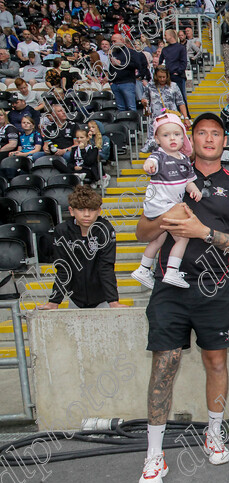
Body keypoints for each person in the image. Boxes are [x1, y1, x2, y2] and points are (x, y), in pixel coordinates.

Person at [134, 112, 229, 483]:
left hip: (214, 286)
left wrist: (201, 231)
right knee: (165, 362)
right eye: (200, 132)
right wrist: (166, 221)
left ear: (224, 140)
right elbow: (142, 232)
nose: (208, 138)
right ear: (191, 139)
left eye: (215, 133)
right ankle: (154, 454)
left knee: (216, 360)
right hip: (169, 287)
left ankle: (214, 434)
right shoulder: (168, 171)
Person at [131, 114, 202, 290]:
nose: (172, 138)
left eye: (177, 134)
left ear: (183, 137)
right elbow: (150, 162)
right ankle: (172, 270)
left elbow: (188, 181)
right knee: (183, 238)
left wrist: (194, 190)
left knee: (158, 239)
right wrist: (148, 165)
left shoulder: (185, 159)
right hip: (161, 205)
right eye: (166, 135)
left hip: (166, 206)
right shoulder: (159, 155)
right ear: (156, 138)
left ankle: (143, 268)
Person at [37, 186, 125, 310]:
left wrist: (113, 301)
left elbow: (106, 267)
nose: (87, 214)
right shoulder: (62, 231)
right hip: (75, 298)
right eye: (81, 209)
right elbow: (63, 268)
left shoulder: (105, 230)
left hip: (102, 299)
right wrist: (54, 302)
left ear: (99, 211)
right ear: (71, 211)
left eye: (92, 209)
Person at [141, 66, 189, 152]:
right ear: (155, 76)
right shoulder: (150, 86)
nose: (162, 79)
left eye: (164, 77)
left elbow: (180, 102)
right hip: (156, 119)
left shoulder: (174, 86)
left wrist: (186, 117)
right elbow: (144, 99)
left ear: (167, 76)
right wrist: (144, 102)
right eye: (159, 77)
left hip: (171, 118)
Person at [109, 33, 149, 112]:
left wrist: (121, 63)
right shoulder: (113, 53)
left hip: (127, 82)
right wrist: (110, 81)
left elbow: (138, 65)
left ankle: (134, 124)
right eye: (112, 42)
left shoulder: (131, 53)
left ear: (122, 40)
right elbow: (111, 68)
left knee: (131, 107)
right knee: (121, 108)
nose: (113, 44)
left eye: (114, 41)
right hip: (116, 83)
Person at [162, 30, 189, 113]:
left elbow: (184, 62)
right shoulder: (165, 49)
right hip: (168, 77)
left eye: (165, 35)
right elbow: (160, 62)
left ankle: (186, 116)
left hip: (178, 76)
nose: (164, 37)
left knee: (181, 97)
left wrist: (178, 71)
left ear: (171, 36)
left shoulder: (181, 48)